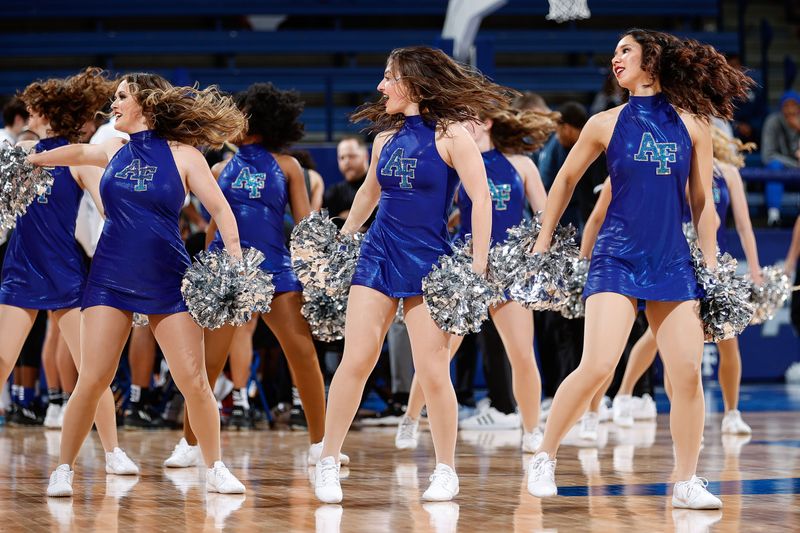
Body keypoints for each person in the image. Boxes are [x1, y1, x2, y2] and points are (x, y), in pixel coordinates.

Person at [526, 29, 753, 510]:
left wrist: (709, 265)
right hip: (616, 258)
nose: (615, 58)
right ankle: (544, 455)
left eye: (625, 50)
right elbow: (566, 180)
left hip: (672, 260)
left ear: (652, 61)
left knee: (687, 374)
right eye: (613, 52)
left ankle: (687, 480)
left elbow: (701, 203)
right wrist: (543, 240)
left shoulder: (693, 124)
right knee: (598, 366)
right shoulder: (603, 123)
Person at [28, 72, 248, 498]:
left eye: (121, 96)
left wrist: (235, 264)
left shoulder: (185, 155)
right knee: (92, 378)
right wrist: (30, 160)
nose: (113, 104)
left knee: (195, 380)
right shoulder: (113, 148)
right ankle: (64, 469)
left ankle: (215, 466)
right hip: (110, 277)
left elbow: (220, 209)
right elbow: (76, 151)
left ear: (144, 103)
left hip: (167, 276)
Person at [313, 45, 503, 504]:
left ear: (413, 81)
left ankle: (445, 470)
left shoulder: (453, 135)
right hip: (378, 255)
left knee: (433, 369)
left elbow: (480, 199)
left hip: (430, 261)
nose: (380, 86)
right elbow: (367, 195)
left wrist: (477, 265)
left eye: (388, 77)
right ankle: (327, 460)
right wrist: (343, 238)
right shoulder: (384, 138)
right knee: (356, 359)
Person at [165, 82, 337, 466]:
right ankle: (191, 444)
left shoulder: (289, 166)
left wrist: (319, 270)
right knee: (209, 362)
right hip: (227, 273)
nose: (232, 122)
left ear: (260, 121)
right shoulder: (220, 167)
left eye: (241, 115)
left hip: (277, 269)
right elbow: (212, 226)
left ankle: (321, 444)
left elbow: (305, 222)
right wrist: (205, 269)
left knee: (303, 353)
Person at [0, 69, 139, 474]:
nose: (28, 117)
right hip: (21, 270)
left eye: (35, 111)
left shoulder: (77, 158)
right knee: (2, 361)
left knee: (92, 372)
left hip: (64, 274)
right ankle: (112, 452)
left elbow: (109, 210)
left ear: (51, 115)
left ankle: (113, 453)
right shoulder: (20, 158)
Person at [395, 103, 552, 451]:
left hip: (508, 267)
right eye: (460, 118)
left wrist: (536, 256)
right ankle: (409, 418)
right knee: (440, 353)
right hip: (467, 265)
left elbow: (545, 216)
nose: (467, 124)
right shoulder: (454, 161)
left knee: (522, 354)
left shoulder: (520, 164)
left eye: (473, 118)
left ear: (489, 121)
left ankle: (531, 430)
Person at [608, 127, 763, 434]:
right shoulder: (676, 165)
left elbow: (743, 226)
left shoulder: (729, 174)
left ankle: (732, 412)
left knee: (728, 338)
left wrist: (755, 268)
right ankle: (625, 395)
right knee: (659, 337)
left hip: (713, 259)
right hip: (679, 257)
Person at [761, 90, 800, 226]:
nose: (790, 110)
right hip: (783, 171)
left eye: (794, 105)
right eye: (786, 106)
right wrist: (794, 164)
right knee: (774, 166)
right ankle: (774, 217)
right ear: (781, 108)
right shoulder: (773, 122)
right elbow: (767, 156)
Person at [323, 136, 375, 228]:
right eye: (342, 157)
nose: (346, 161)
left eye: (352, 156)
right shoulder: (334, 193)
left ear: (366, 156)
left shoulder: (381, 188)